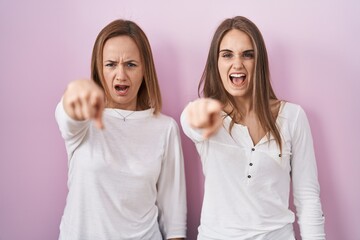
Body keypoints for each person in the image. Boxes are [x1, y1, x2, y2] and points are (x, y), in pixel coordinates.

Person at [181, 16, 325, 239]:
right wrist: (197, 115)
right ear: (215, 63)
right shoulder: (207, 115)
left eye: (247, 54)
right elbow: (190, 121)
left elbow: (308, 198)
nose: (237, 64)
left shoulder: (293, 117)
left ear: (259, 62)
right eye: (227, 54)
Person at [55, 19, 187, 240]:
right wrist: (74, 95)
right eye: (111, 64)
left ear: (145, 70)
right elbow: (67, 114)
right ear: (99, 68)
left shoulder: (165, 129)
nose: (121, 75)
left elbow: (174, 220)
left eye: (131, 64)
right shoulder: (83, 122)